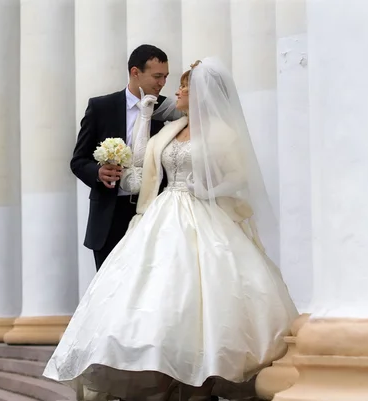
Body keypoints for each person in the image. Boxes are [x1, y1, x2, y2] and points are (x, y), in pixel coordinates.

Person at [44, 58, 299, 401]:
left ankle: (199, 383)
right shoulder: (171, 129)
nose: (175, 90)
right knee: (157, 295)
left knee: (202, 294)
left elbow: (240, 177)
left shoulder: (222, 134)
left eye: (182, 85)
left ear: (200, 93)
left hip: (203, 215)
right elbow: (143, 166)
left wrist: (209, 191)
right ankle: (162, 376)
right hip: (162, 213)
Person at [71, 44, 183, 271]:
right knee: (108, 290)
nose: (162, 83)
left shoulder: (168, 110)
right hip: (109, 216)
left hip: (152, 212)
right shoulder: (101, 107)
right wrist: (98, 172)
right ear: (135, 72)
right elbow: (78, 160)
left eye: (165, 77)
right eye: (157, 76)